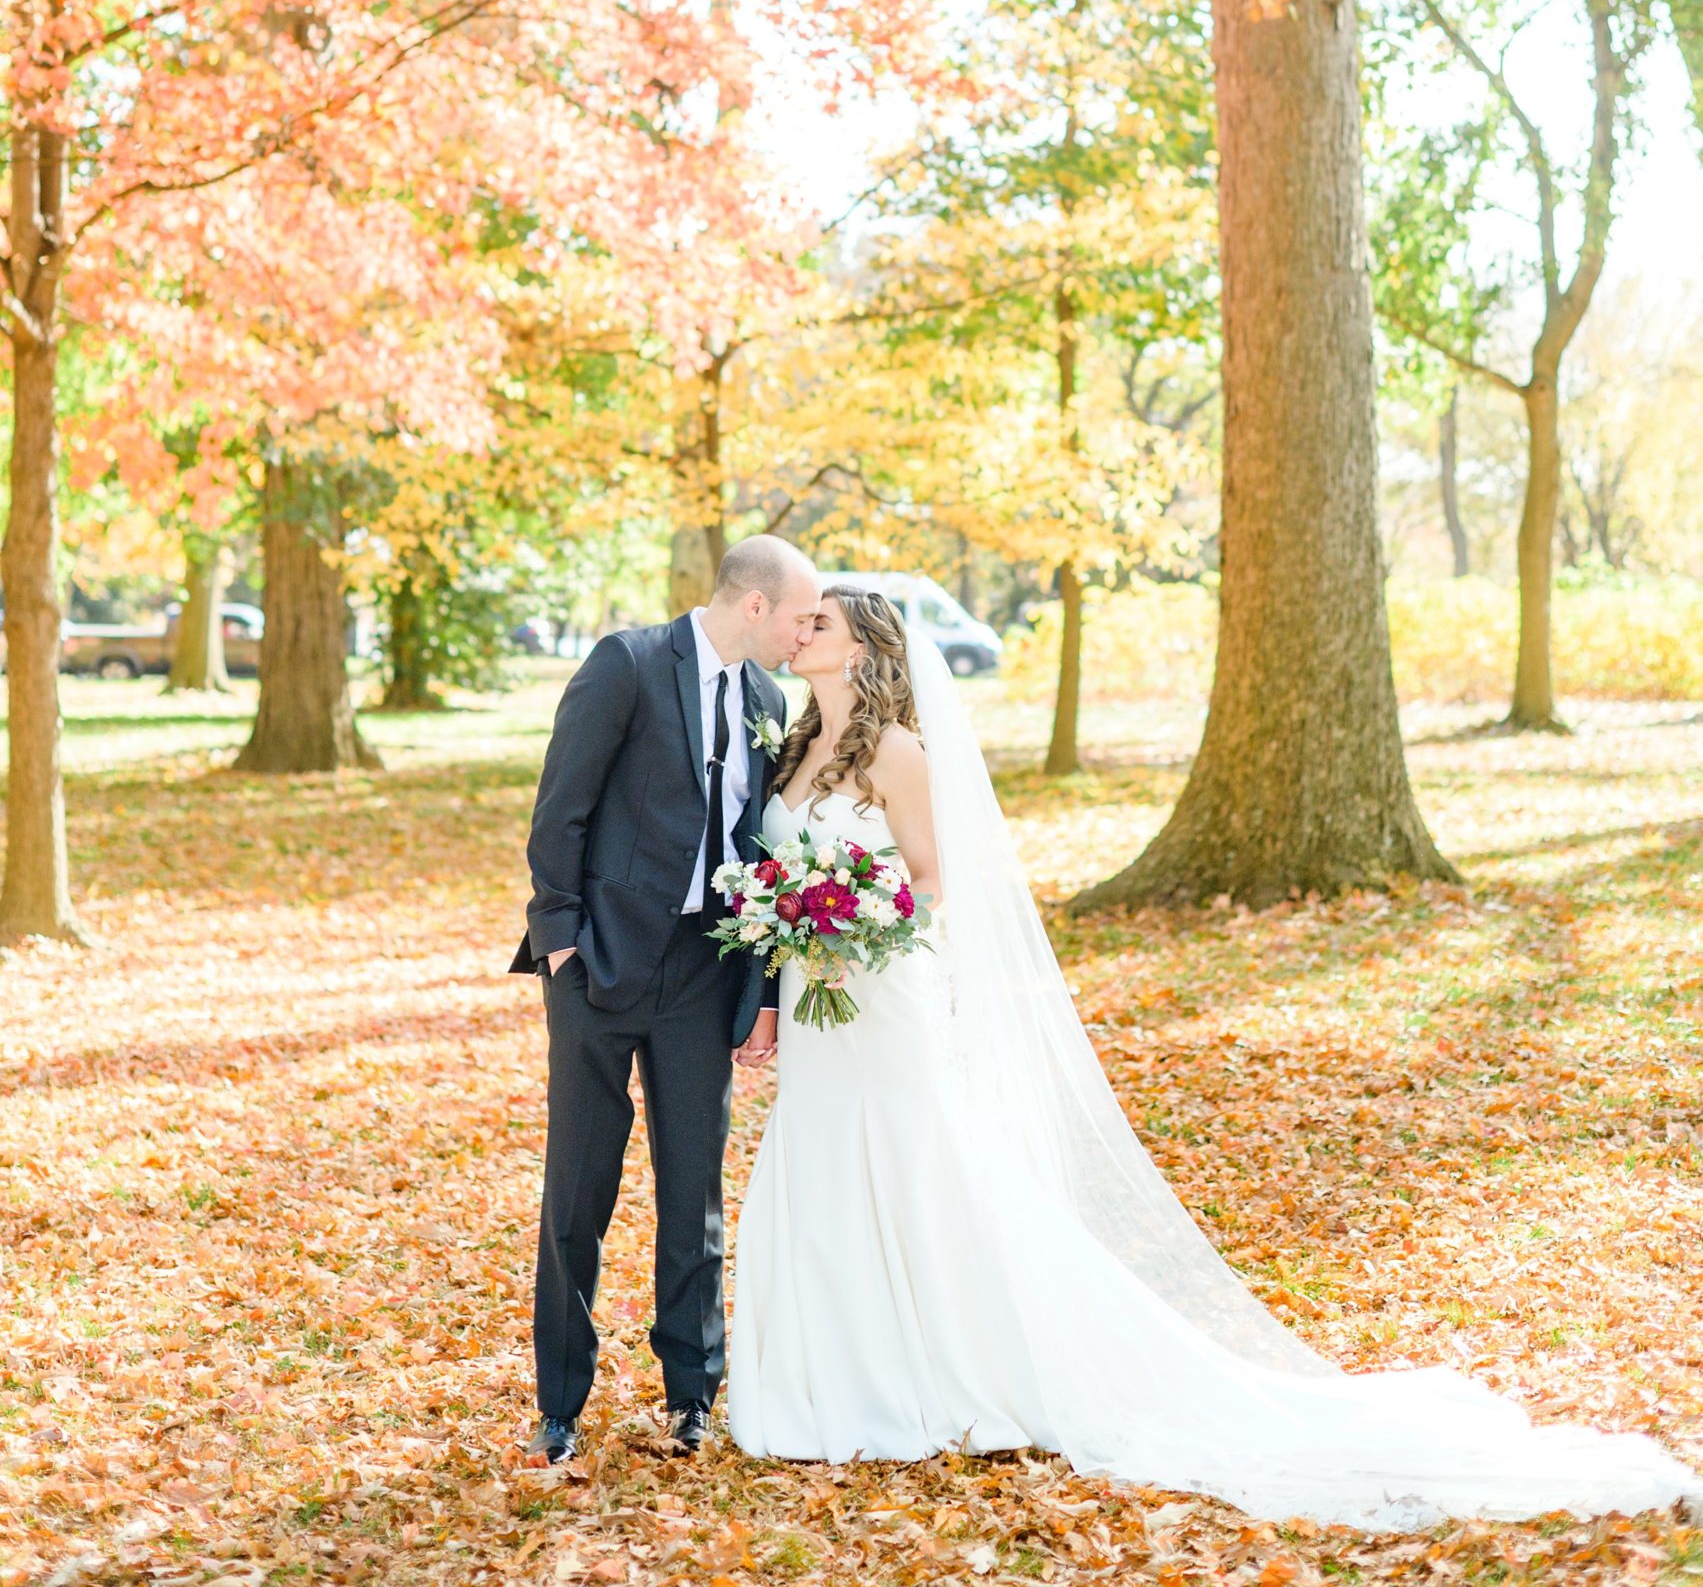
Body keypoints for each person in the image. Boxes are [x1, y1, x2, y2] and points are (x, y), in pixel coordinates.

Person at [728, 586, 1701, 1532]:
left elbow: (935, 881)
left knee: (912, 1161)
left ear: (861, 647)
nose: (802, 626)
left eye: (822, 620)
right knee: (819, 1161)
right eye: (802, 617)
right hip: (819, 1009)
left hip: (884, 995)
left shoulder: (899, 753)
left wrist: (857, 920)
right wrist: (788, 949)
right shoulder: (793, 748)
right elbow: (778, 872)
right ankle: (835, 1372)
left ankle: (941, 1366)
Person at [512, 535, 819, 1464]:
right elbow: (561, 805)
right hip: (598, 968)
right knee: (579, 1190)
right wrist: (559, 940)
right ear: (755, 604)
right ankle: (559, 1402)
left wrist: (758, 988)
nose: (807, 634)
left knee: (694, 1193)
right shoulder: (629, 663)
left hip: (700, 971)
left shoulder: (769, 700)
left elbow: (766, 856)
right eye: (802, 615)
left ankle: (693, 1393)